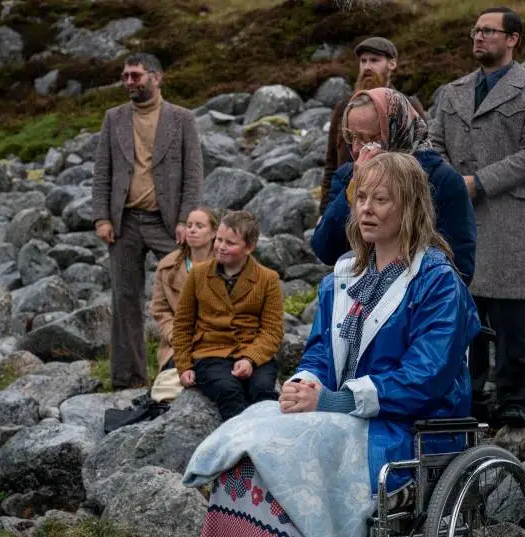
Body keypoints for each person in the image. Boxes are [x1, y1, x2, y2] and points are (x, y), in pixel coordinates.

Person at [183, 153, 480, 537]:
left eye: (381, 199)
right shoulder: (342, 278)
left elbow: (426, 377)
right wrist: (305, 384)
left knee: (281, 452)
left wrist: (335, 401)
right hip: (346, 415)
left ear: (409, 207)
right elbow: (321, 352)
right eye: (362, 197)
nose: (366, 209)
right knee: (251, 433)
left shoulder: (437, 282)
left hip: (405, 429)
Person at [428, 7, 525, 426]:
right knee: (461, 305)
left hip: (507, 215)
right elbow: (433, 145)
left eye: (488, 31)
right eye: (476, 30)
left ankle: (515, 395)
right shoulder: (452, 92)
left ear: (513, 39)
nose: (478, 37)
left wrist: (479, 182)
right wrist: (452, 184)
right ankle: (469, 392)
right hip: (456, 215)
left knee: (510, 309)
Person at [91, 52, 203, 390]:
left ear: (156, 77)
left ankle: (190, 366)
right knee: (125, 298)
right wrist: (101, 217)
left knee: (185, 292)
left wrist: (185, 219)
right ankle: (128, 379)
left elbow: (193, 174)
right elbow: (102, 171)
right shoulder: (113, 118)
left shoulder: (181, 119)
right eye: (125, 76)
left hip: (167, 223)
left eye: (135, 76)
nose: (129, 82)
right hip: (124, 222)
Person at [311, 87, 477, 285]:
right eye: (351, 136)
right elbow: (325, 250)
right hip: (358, 296)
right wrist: (355, 188)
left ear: (396, 131)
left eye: (368, 139)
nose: (355, 149)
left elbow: (460, 265)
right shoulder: (348, 175)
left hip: (419, 296)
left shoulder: (441, 179)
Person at [172, 211, 284, 421]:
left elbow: (272, 330)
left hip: (254, 351)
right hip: (210, 354)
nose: (221, 247)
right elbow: (182, 325)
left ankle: (269, 438)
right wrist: (184, 365)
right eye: (219, 240)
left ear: (249, 247)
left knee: (262, 391)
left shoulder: (268, 279)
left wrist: (250, 359)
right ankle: (239, 441)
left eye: (230, 243)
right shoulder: (198, 274)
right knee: (228, 391)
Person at [321, 36, 426, 215]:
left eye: (374, 60)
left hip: (394, 208)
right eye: (363, 61)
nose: (367, 67)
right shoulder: (344, 107)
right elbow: (331, 164)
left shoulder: (408, 106)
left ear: (392, 64)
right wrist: (324, 212)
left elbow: (423, 159)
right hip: (346, 204)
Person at [149, 207, 219, 402]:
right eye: (189, 225)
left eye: (199, 226)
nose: (192, 230)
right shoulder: (167, 266)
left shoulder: (226, 264)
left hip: (217, 338)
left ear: (213, 232)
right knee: (180, 373)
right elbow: (160, 310)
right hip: (179, 343)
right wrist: (176, 336)